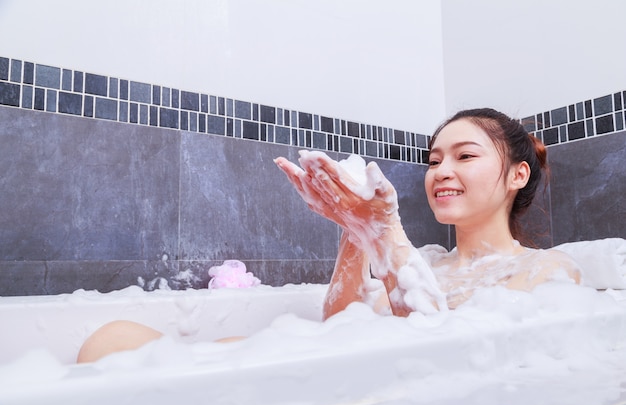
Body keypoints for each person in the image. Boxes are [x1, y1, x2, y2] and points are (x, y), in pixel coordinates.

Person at [77, 108, 581, 363]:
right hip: (324, 373)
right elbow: (339, 328)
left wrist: (385, 236)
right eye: (433, 160)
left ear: (517, 174)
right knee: (109, 339)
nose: (441, 171)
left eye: (464, 156)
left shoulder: (546, 272)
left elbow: (447, 359)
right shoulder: (425, 261)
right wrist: (354, 232)